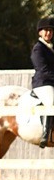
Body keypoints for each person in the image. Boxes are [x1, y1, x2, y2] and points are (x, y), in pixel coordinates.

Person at [31, 16, 54, 147]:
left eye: (50, 30)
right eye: (45, 30)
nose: (48, 33)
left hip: (52, 81)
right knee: (50, 102)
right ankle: (45, 134)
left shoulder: (51, 48)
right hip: (43, 83)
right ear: (40, 32)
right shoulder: (38, 49)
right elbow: (43, 69)